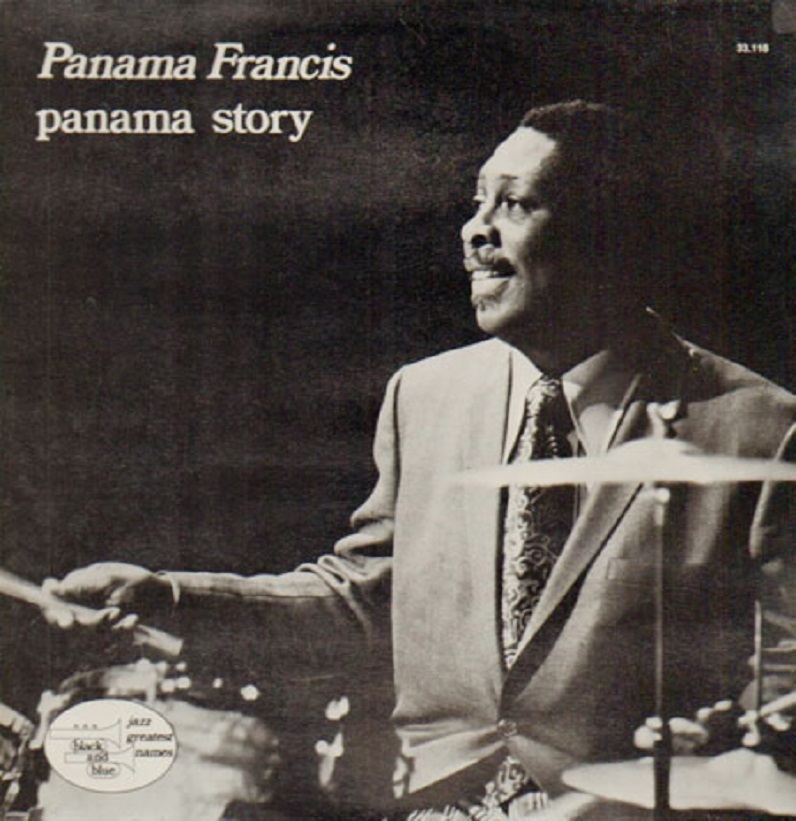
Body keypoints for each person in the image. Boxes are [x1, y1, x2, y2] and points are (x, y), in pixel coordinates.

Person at [45, 101, 795, 819]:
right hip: (434, 803)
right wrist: (169, 595)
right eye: (477, 202)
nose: (475, 230)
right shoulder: (424, 396)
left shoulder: (761, 427)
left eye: (514, 204)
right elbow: (365, 600)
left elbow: (784, 685)